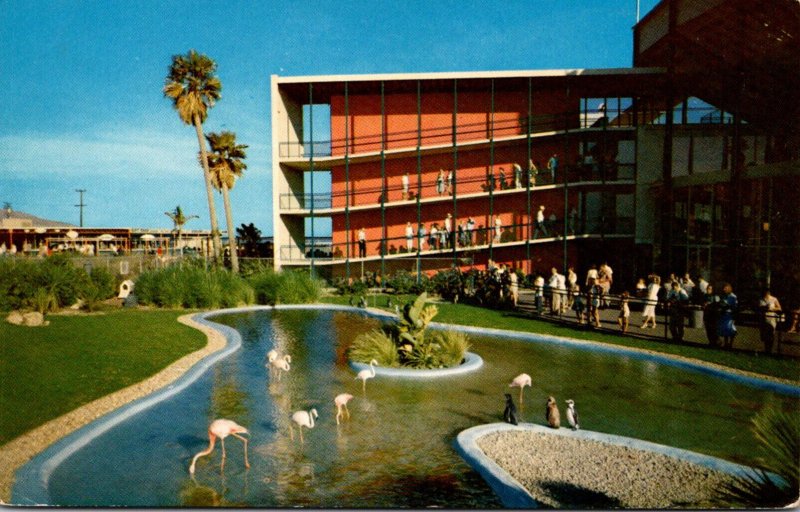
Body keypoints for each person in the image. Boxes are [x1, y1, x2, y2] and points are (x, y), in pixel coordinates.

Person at [759, 289, 782, 354]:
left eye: (766, 293)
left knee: (771, 333)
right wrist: (764, 308)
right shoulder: (761, 299)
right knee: (765, 334)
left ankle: (770, 349)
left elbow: (779, 308)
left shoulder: (774, 299)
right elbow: (759, 307)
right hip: (763, 318)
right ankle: (766, 349)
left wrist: (772, 308)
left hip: (771, 318)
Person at [718, 283, 738, 349]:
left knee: (731, 329)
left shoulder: (733, 296)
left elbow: (734, 306)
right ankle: (726, 343)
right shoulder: (724, 296)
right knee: (725, 329)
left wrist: (727, 306)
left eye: (725, 288)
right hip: (724, 314)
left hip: (730, 314)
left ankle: (731, 343)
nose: (724, 289)